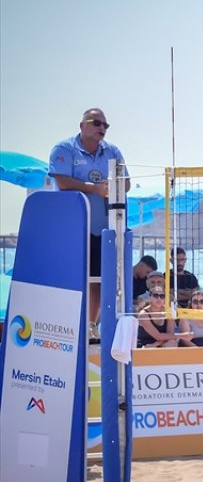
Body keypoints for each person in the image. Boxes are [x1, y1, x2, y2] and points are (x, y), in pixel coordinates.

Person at [49, 108, 131, 331]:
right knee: (71, 278)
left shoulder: (112, 151)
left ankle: (91, 325)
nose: (102, 128)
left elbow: (127, 184)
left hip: (102, 228)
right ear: (82, 125)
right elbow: (63, 182)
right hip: (72, 229)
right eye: (96, 123)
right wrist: (94, 189)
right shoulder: (64, 149)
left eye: (105, 125)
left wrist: (111, 186)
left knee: (98, 279)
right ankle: (64, 323)